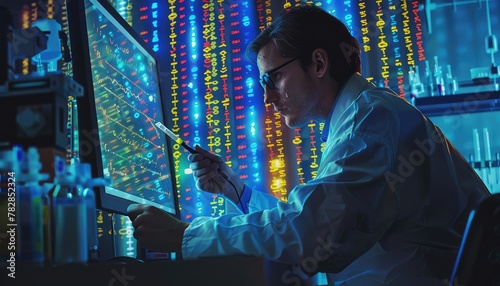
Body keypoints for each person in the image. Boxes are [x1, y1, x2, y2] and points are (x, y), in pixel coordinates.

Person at [127, 4, 491, 285]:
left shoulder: (369, 121)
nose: (268, 98)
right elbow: (323, 218)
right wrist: (235, 189)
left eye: (273, 78)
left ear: (318, 62)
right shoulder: (364, 113)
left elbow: (315, 231)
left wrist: (186, 235)